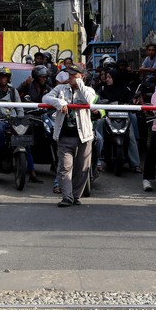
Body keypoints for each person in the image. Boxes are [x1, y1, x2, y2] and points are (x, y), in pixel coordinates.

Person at [43, 65, 97, 207]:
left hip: (84, 136)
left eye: (74, 75)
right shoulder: (61, 89)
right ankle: (67, 197)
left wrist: (80, 85)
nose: (70, 77)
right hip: (64, 136)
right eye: (69, 74)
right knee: (65, 168)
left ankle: (75, 196)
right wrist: (59, 102)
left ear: (82, 76)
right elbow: (45, 97)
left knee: (82, 168)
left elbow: (90, 100)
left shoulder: (88, 90)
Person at [0, 66, 43, 183]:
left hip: (13, 121)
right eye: (0, 77)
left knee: (25, 141)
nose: (2, 80)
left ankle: (32, 172)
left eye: (4, 77)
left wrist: (21, 119)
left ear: (8, 78)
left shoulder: (14, 91)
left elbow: (19, 107)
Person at [94, 69, 141, 173]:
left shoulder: (125, 89)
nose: (107, 79)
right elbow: (97, 99)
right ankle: (97, 161)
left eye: (109, 77)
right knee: (98, 131)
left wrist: (129, 104)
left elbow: (131, 100)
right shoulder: (103, 89)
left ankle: (135, 164)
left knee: (131, 135)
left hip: (123, 117)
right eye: (106, 77)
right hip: (107, 116)